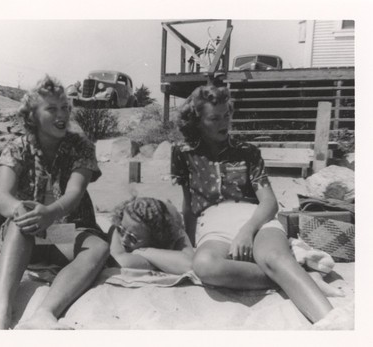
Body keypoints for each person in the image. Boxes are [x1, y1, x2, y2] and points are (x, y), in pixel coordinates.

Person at [171, 85, 335, 324]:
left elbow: (269, 202)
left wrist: (247, 231)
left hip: (255, 218)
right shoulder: (183, 153)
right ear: (197, 122)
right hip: (212, 222)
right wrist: (189, 242)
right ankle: (294, 275)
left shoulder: (247, 151)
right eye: (214, 118)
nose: (223, 123)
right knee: (205, 266)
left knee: (275, 257)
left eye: (226, 115)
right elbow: (188, 202)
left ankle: (334, 321)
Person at [0, 75, 108, 329]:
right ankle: (0, 311)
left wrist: (51, 213)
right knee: (22, 218)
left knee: (98, 247)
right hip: (27, 234)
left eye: (65, 108)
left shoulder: (81, 146)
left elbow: (75, 192)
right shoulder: (17, 147)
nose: (61, 114)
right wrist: (19, 209)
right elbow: (2, 197)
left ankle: (45, 313)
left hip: (63, 233)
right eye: (51, 109)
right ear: (33, 117)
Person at [108, 197, 193, 274]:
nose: (124, 239)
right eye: (121, 231)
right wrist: (164, 264)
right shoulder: (119, 223)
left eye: (132, 238)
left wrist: (144, 251)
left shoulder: (176, 233)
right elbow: (119, 261)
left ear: (154, 240)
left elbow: (189, 265)